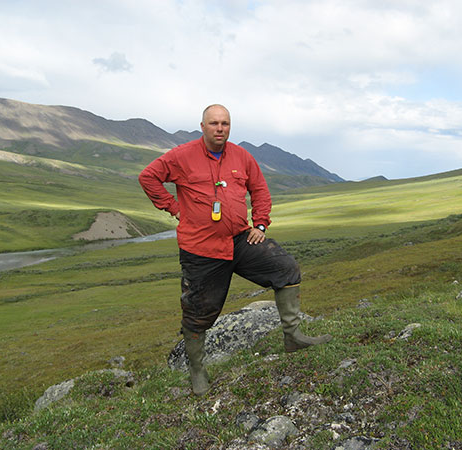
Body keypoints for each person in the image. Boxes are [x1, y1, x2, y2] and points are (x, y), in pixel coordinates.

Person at [138, 104, 331, 395]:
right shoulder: (181, 156)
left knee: (285, 268)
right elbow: (148, 177)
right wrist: (173, 207)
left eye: (225, 123)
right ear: (202, 126)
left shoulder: (242, 156)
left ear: (230, 127)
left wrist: (261, 224)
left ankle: (293, 337)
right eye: (214, 123)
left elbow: (260, 190)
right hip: (201, 248)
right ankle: (197, 371)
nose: (220, 128)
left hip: (241, 239)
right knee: (197, 312)